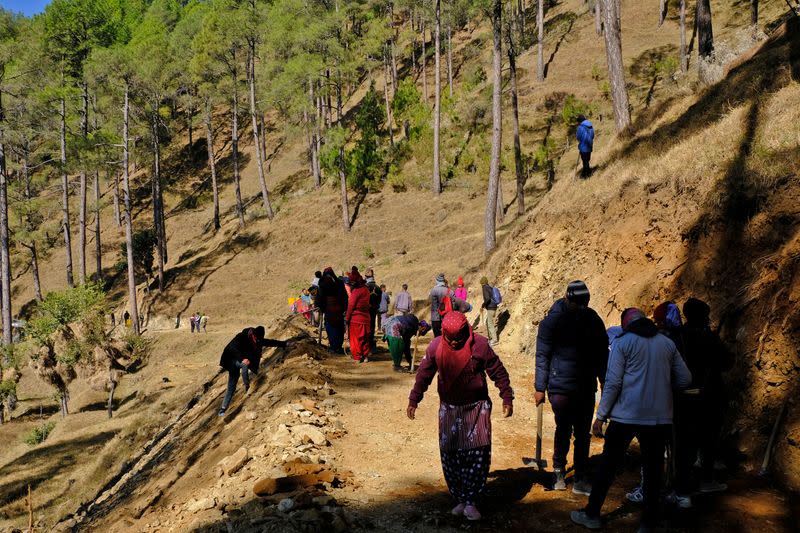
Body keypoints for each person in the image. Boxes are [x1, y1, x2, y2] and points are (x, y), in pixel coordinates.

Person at [570, 308, 691, 531]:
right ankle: (648, 523)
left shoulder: (622, 343)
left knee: (608, 466)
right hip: (658, 419)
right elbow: (685, 379)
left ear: (625, 325)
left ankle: (593, 513)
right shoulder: (666, 343)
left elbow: (613, 382)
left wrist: (601, 416)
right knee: (654, 472)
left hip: (625, 416)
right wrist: (663, 388)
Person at [407, 311, 514, 521]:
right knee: (451, 455)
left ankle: (472, 501)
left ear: (467, 331)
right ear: (444, 334)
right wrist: (414, 399)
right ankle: (460, 499)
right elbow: (424, 374)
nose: (455, 342)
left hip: (476, 409)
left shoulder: (480, 345)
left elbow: (498, 371)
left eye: (459, 337)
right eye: (450, 338)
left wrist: (507, 396)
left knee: (477, 454)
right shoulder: (436, 346)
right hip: (449, 409)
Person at [535, 280, 608, 494]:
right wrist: (540, 387)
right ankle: (558, 471)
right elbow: (542, 356)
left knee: (583, 433)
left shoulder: (593, 320)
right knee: (564, 429)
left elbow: (602, 354)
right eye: (578, 303)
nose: (581, 308)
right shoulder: (551, 322)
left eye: (584, 304)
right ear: (567, 298)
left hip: (585, 385)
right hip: (559, 387)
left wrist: (604, 380)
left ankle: (580, 477)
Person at [673, 298, 734, 506]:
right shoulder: (708, 337)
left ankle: (681, 484)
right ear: (703, 316)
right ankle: (706, 479)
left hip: (682, 396)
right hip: (708, 396)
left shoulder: (677, 336)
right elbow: (727, 362)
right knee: (708, 439)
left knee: (684, 444)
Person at [218, 326, 288, 417]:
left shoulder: (258, 339)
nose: (257, 341)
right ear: (253, 335)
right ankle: (224, 407)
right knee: (232, 384)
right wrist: (242, 359)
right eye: (256, 339)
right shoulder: (241, 337)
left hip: (241, 359)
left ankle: (247, 386)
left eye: (259, 339)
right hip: (231, 360)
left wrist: (285, 344)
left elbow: (269, 342)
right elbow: (232, 348)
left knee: (245, 366)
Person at [316, 267, 348, 354]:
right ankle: (338, 346)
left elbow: (320, 297)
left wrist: (320, 307)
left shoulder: (322, 283)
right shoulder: (340, 283)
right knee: (339, 327)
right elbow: (345, 296)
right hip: (339, 309)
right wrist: (345, 307)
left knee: (331, 328)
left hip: (329, 309)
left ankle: (334, 347)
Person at [346, 267, 372, 362]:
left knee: (355, 339)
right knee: (365, 338)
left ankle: (357, 357)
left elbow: (351, 306)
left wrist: (347, 318)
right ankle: (365, 356)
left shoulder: (356, 292)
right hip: (366, 318)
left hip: (356, 319)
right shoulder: (366, 290)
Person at [366, 270, 382, 351]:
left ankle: (367, 344)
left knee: (365, 327)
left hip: (366, 310)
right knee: (372, 326)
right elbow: (379, 300)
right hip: (374, 309)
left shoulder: (365, 287)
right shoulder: (378, 288)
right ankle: (371, 344)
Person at [480, 277, 499, 346]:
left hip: (490, 308)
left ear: (482, 283)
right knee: (488, 322)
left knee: (490, 324)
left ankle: (494, 340)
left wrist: (483, 305)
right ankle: (491, 338)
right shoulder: (489, 287)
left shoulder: (484, 288)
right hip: (494, 307)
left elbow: (487, 298)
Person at [576, 114, 594, 178]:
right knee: (587, 160)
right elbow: (592, 136)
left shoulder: (580, 127)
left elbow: (578, 137)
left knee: (585, 161)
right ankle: (587, 173)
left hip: (583, 147)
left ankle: (586, 175)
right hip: (589, 146)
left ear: (580, 121)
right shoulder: (591, 126)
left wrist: (581, 141)